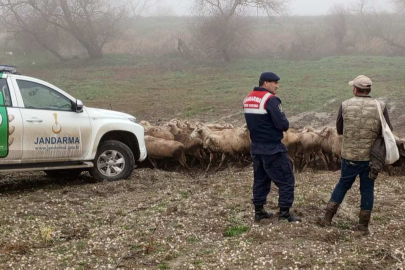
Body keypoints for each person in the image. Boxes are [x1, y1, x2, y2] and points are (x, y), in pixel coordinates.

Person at [318, 75, 393, 233]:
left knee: (343, 185)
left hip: (350, 156)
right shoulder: (380, 105)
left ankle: (327, 219)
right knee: (367, 189)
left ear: (355, 89)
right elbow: (388, 130)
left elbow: (339, 130)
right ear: (369, 90)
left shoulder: (345, 105)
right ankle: (363, 226)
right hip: (371, 158)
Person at [243, 72, 301, 223]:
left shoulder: (248, 98)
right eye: (275, 83)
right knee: (287, 180)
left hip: (255, 146)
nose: (277, 86)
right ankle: (284, 214)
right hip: (272, 148)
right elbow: (283, 124)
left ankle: (259, 211)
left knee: (260, 179)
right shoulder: (270, 99)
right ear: (265, 83)